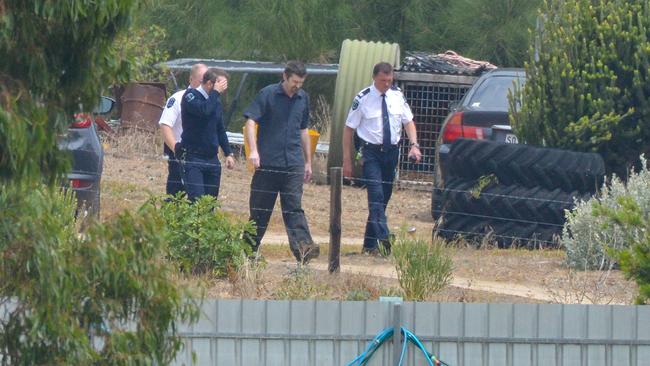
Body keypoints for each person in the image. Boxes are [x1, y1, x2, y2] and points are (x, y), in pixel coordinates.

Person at [342, 62, 422, 255]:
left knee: (384, 197)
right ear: (374, 78)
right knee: (376, 195)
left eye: (389, 80)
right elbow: (348, 130)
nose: (386, 84)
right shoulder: (363, 99)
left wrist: (414, 145)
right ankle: (384, 237)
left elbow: (408, 122)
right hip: (370, 153)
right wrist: (347, 160)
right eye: (382, 80)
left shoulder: (397, 96)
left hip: (392, 153)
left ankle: (369, 245)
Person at [243, 61, 319, 263]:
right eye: (295, 81)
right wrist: (254, 151)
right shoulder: (267, 94)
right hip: (267, 163)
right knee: (260, 210)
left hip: (293, 163)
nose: (298, 86)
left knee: (294, 208)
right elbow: (251, 121)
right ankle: (248, 251)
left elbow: (304, 131)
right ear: (284, 76)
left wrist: (308, 162)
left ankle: (304, 250)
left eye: (301, 82)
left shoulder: (303, 98)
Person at [178, 68, 235, 201]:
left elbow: (220, 128)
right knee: (197, 201)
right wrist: (215, 92)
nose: (223, 89)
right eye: (221, 85)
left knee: (209, 203)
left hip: (211, 158)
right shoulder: (190, 96)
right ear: (209, 83)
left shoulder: (215, 101)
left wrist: (228, 153)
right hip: (193, 158)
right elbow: (204, 111)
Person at [158, 63, 208, 196]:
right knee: (176, 195)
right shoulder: (178, 99)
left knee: (200, 197)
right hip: (181, 153)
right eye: (202, 81)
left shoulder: (210, 101)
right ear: (191, 79)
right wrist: (176, 149)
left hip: (202, 156)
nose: (206, 84)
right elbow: (165, 125)